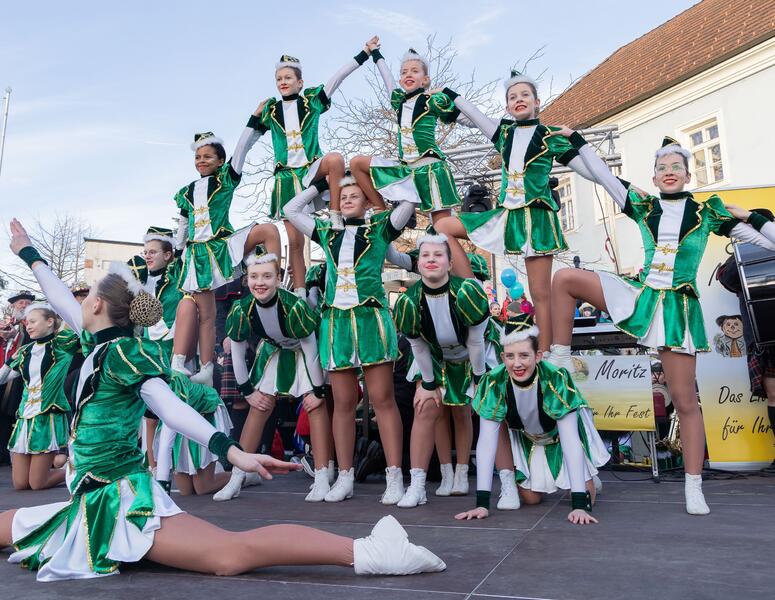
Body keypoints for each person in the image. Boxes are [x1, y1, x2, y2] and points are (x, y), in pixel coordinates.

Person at [2, 218, 445, 582]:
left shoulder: (124, 353)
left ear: (97, 305)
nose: (74, 301)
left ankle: (368, 550)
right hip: (86, 497)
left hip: (123, 501)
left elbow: (169, 407)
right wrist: (27, 251)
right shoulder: (94, 341)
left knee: (230, 554)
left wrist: (231, 451)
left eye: (85, 296)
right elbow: (58, 296)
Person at [549, 137, 775, 515]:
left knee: (686, 401)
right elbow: (600, 175)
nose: (669, 172)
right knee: (565, 279)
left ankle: (693, 486)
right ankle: (558, 355)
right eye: (662, 168)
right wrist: (575, 141)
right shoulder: (644, 206)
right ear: (654, 178)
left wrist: (751, 216)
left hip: (677, 309)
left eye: (676, 167)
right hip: (642, 296)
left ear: (688, 174)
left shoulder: (707, 214)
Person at [432, 70, 616, 352]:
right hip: (508, 215)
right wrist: (448, 94)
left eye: (524, 95)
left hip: (538, 218)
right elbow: (474, 113)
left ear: (537, 102)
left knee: (540, 293)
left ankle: (544, 352)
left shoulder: (549, 135)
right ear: (506, 107)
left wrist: (621, 187)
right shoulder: (502, 133)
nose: (519, 100)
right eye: (512, 97)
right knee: (444, 227)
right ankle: (474, 293)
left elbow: (588, 171)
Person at [284, 175, 416, 503]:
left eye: (355, 195)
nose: (346, 199)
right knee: (342, 403)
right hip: (337, 323)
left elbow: (410, 200)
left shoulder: (380, 229)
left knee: (383, 400)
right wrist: (319, 185)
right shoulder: (327, 232)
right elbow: (291, 209)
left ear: (367, 201)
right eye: (342, 196)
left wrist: (377, 187)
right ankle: (344, 476)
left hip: (371, 319)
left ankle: (395, 477)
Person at [249, 37, 379, 291]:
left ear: (300, 82)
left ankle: (335, 215)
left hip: (310, 172)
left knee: (335, 159)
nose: (283, 82)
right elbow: (248, 140)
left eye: (288, 78)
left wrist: (363, 54)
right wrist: (252, 119)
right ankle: (300, 294)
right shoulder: (271, 110)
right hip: (286, 179)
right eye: (279, 79)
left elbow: (337, 78)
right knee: (295, 243)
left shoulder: (311, 101)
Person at [455, 314, 609, 524]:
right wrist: (482, 503)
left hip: (560, 437)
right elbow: (486, 443)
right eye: (510, 356)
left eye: (524, 355)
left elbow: (570, 441)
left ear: (537, 356)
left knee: (585, 495)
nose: (516, 363)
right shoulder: (493, 382)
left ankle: (586, 477)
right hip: (531, 439)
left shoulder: (556, 378)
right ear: (502, 357)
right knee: (531, 499)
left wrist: (579, 505)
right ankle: (552, 477)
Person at [173, 106, 282, 388]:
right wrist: (177, 250)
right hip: (197, 253)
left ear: (221, 160)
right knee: (206, 316)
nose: (201, 161)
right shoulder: (186, 192)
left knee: (267, 230)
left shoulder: (225, 180)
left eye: (208, 156)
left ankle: (274, 280)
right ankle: (207, 367)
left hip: (222, 244)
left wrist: (254, 119)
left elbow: (243, 147)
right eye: (197, 157)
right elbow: (183, 225)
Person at [213, 247, 332, 503]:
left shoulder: (294, 307)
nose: (260, 283)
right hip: (274, 350)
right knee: (259, 406)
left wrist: (319, 390)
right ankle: (238, 476)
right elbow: (236, 348)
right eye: (254, 277)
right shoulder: (241, 309)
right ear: (246, 279)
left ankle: (322, 476)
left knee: (315, 407)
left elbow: (311, 348)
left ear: (278, 278)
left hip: (306, 352)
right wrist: (247, 390)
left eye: (267, 276)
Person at [349, 47, 474, 277]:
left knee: (442, 231)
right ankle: (380, 210)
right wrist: (376, 55)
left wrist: (495, 128)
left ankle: (471, 287)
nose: (408, 74)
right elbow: (387, 81)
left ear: (425, 79)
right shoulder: (398, 101)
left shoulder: (431, 101)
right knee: (357, 163)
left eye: (414, 71)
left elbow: (465, 118)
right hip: (405, 171)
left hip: (430, 169)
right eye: (404, 71)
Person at [392, 234, 489, 507]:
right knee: (427, 407)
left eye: (438, 255)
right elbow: (418, 346)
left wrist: (480, 377)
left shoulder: (467, 292)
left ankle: (461, 473)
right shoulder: (409, 302)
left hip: (470, 353)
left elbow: (476, 340)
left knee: (461, 410)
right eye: (425, 256)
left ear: (449, 263)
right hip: (433, 355)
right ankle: (421, 483)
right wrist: (429, 383)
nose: (431, 259)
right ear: (417, 264)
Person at [0, 303, 78, 490]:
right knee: (20, 484)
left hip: (47, 416)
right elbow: (3, 378)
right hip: (25, 418)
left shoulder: (62, 344)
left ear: (50, 322)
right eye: (27, 323)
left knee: (37, 484)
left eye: (34, 321)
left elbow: (80, 327)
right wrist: (11, 359)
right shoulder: (26, 351)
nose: (29, 326)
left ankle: (74, 471)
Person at [0, 291, 34, 465]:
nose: (24, 306)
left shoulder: (31, 324)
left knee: (13, 413)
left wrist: (16, 336)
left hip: (20, 377)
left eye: (28, 303)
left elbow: (33, 342)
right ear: (13, 305)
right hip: (3, 374)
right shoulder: (7, 323)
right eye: (21, 303)